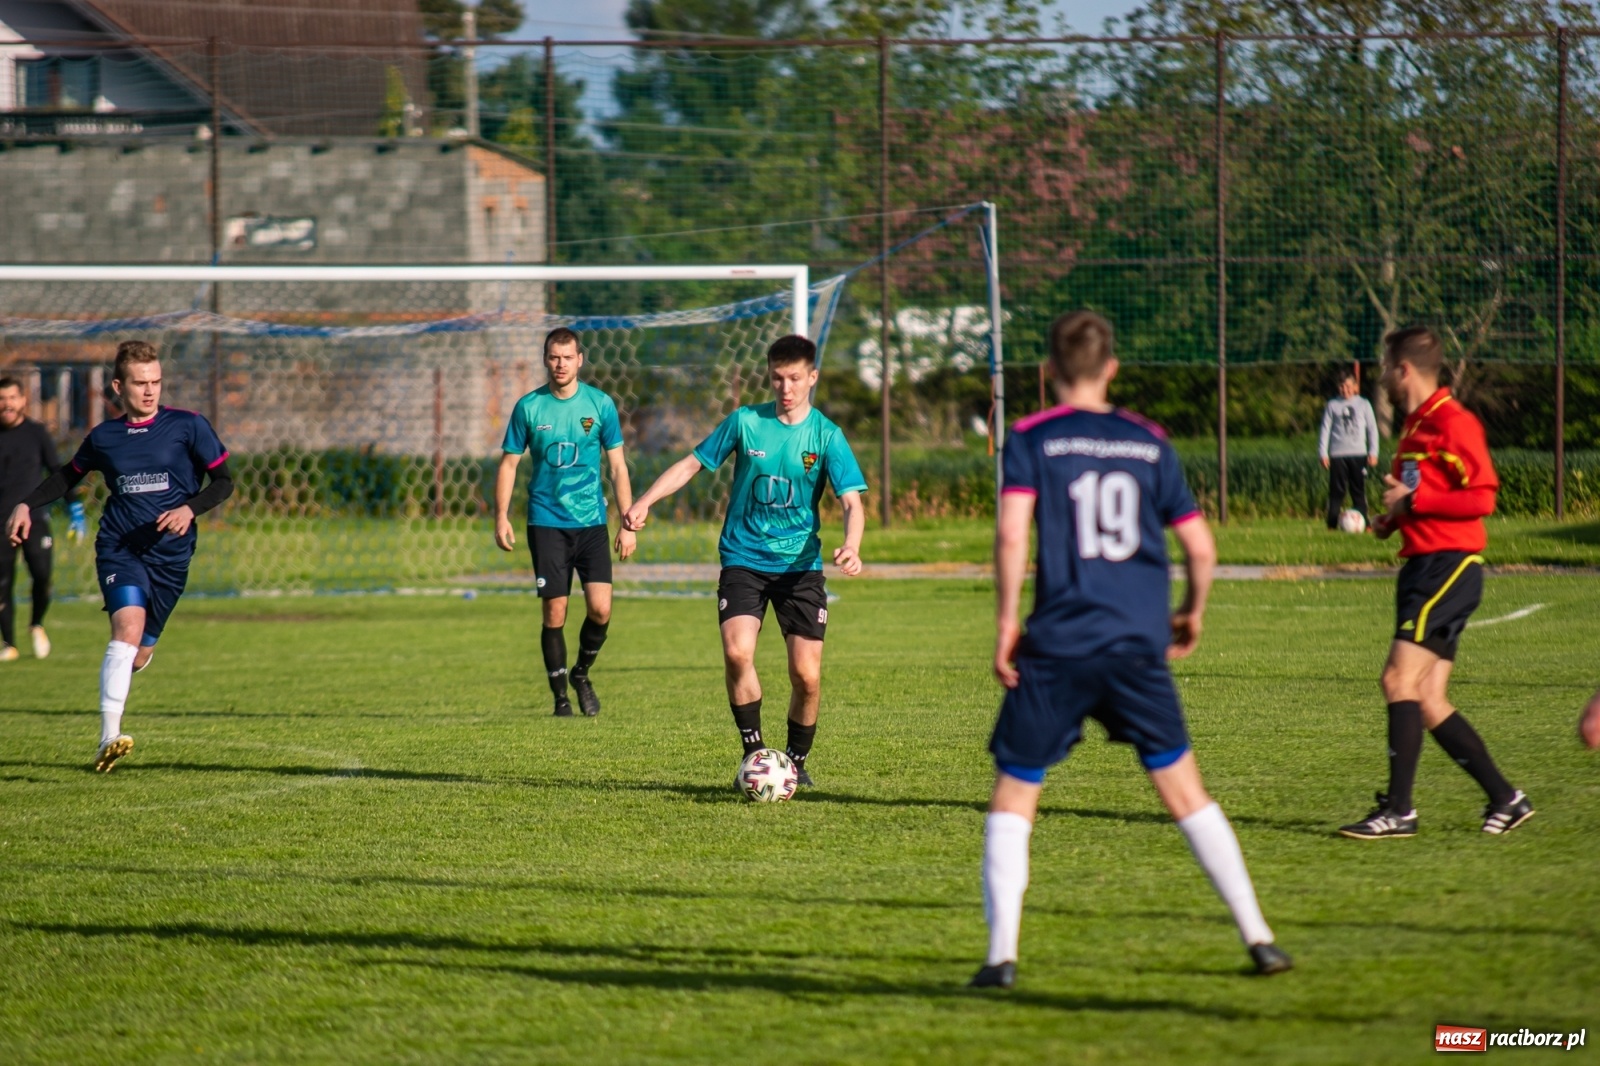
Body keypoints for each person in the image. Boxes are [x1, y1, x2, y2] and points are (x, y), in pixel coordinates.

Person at [973, 311, 1291, 990]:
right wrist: (1192, 611)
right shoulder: (1149, 441)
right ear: (1112, 368)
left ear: (1050, 371)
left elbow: (1011, 536)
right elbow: (1200, 547)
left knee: (1016, 791)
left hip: (1058, 645)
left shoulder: (1030, 437)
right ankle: (1259, 937)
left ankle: (1001, 958)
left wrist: (1005, 624)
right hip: (1136, 645)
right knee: (1185, 791)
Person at [623, 334, 866, 786]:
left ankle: (795, 762)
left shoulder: (827, 435)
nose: (786, 388)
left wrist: (851, 545)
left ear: (812, 377)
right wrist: (645, 501)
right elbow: (691, 464)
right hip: (743, 559)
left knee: (807, 676)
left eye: (795, 378)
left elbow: (852, 502)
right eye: (777, 378)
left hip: (799, 568)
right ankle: (755, 755)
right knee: (737, 653)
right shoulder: (745, 422)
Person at [1339, 326, 1532, 839]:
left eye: (1386, 367)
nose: (1382, 376)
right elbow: (1419, 497)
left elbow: (1483, 496)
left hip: (1446, 568)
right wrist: (1393, 519)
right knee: (1427, 698)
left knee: (1397, 681)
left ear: (1404, 370)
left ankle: (1399, 811)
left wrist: (1415, 502)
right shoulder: (1415, 428)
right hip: (1426, 564)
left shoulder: (1452, 422)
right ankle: (1507, 799)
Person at [6, 341, 233, 772]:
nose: (149, 391)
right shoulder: (104, 437)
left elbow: (223, 481)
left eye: (156, 382)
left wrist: (189, 509)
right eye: (140, 383)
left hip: (171, 557)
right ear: (118, 386)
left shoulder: (188, 426)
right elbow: (66, 477)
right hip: (120, 548)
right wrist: (26, 504)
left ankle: (130, 666)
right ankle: (108, 737)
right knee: (126, 629)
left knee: (140, 652)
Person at [494, 327, 634, 717]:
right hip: (546, 523)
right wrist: (501, 516)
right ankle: (560, 700)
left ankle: (581, 673)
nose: (561, 364)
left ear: (580, 360)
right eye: (554, 357)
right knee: (555, 612)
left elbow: (618, 467)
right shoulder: (529, 407)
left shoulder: (600, 405)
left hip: (591, 522)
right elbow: (508, 465)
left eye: (567, 357)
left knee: (601, 610)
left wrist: (627, 523)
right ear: (545, 360)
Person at [0, 375, 84, 661]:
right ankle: (9, 644)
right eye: (2, 399)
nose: (7, 404)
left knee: (42, 575)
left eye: (12, 398)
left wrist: (75, 508)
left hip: (34, 518)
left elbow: (57, 471)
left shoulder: (36, 433)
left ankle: (36, 623)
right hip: (1, 522)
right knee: (2, 583)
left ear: (23, 400)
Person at [1318, 368, 1379, 529]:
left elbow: (1372, 429)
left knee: (1358, 489)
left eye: (1348, 386)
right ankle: (1332, 524)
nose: (1345, 390)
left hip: (1358, 454)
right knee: (1336, 491)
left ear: (1355, 386)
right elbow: (1325, 429)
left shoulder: (1363, 404)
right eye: (1341, 386)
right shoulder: (1332, 405)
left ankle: (1364, 522)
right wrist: (1323, 453)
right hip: (1338, 454)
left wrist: (1373, 451)